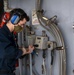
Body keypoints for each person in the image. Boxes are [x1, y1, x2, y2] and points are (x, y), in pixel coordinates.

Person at [0, 8, 34, 75]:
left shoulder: (11, 35)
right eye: (21, 24)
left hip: (10, 71)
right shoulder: (2, 34)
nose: (22, 27)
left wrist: (27, 51)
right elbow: (6, 53)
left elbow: (14, 52)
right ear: (14, 20)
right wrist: (21, 51)